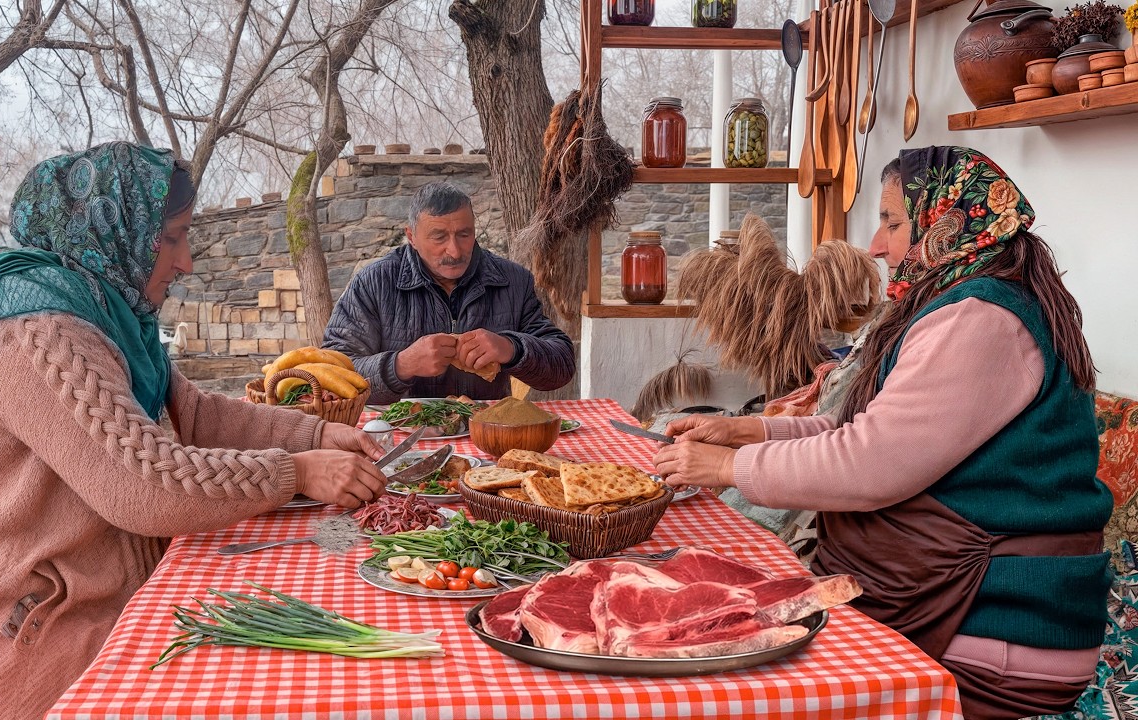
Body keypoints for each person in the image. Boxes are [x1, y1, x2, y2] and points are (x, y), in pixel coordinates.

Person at [0, 142, 387, 719]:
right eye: (172, 238)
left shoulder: (104, 313)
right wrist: (294, 470)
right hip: (12, 642)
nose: (184, 261)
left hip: (80, 612)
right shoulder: (37, 332)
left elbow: (197, 415)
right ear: (116, 231)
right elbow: (145, 484)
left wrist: (315, 436)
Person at [654, 146, 1112, 719]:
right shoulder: (970, 299)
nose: (876, 244)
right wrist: (749, 431)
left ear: (945, 220)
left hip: (993, 623)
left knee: (731, 684)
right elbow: (866, 432)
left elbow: (868, 464)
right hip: (952, 597)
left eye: (893, 222)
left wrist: (725, 469)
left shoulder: (981, 320)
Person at [323, 182, 575, 403]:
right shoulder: (374, 283)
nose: (454, 251)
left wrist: (511, 348)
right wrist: (401, 365)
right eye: (439, 237)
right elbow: (331, 370)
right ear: (411, 236)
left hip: (486, 433)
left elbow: (562, 365)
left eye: (464, 235)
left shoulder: (512, 281)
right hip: (399, 435)